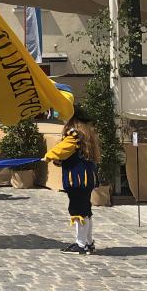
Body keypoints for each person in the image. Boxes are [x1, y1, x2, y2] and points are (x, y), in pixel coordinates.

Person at [44, 108, 101, 254]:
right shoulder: (87, 135)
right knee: (85, 209)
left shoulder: (74, 134)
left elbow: (63, 149)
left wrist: (49, 155)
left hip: (77, 178)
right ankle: (88, 243)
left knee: (78, 210)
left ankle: (81, 244)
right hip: (86, 178)